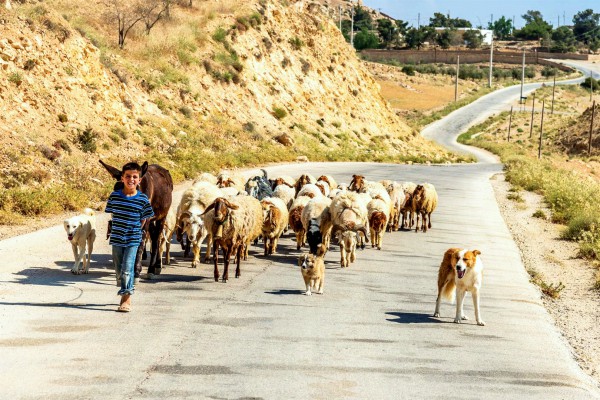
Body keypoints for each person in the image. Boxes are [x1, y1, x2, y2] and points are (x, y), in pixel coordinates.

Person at [105, 162, 154, 312]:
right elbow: (112, 214)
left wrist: (136, 230)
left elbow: (145, 218)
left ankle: (126, 297)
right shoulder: (114, 196)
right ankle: (124, 286)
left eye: (135, 177)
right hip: (117, 238)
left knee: (127, 268)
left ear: (139, 180)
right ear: (122, 178)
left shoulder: (143, 199)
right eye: (128, 176)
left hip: (133, 239)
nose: (131, 179)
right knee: (119, 270)